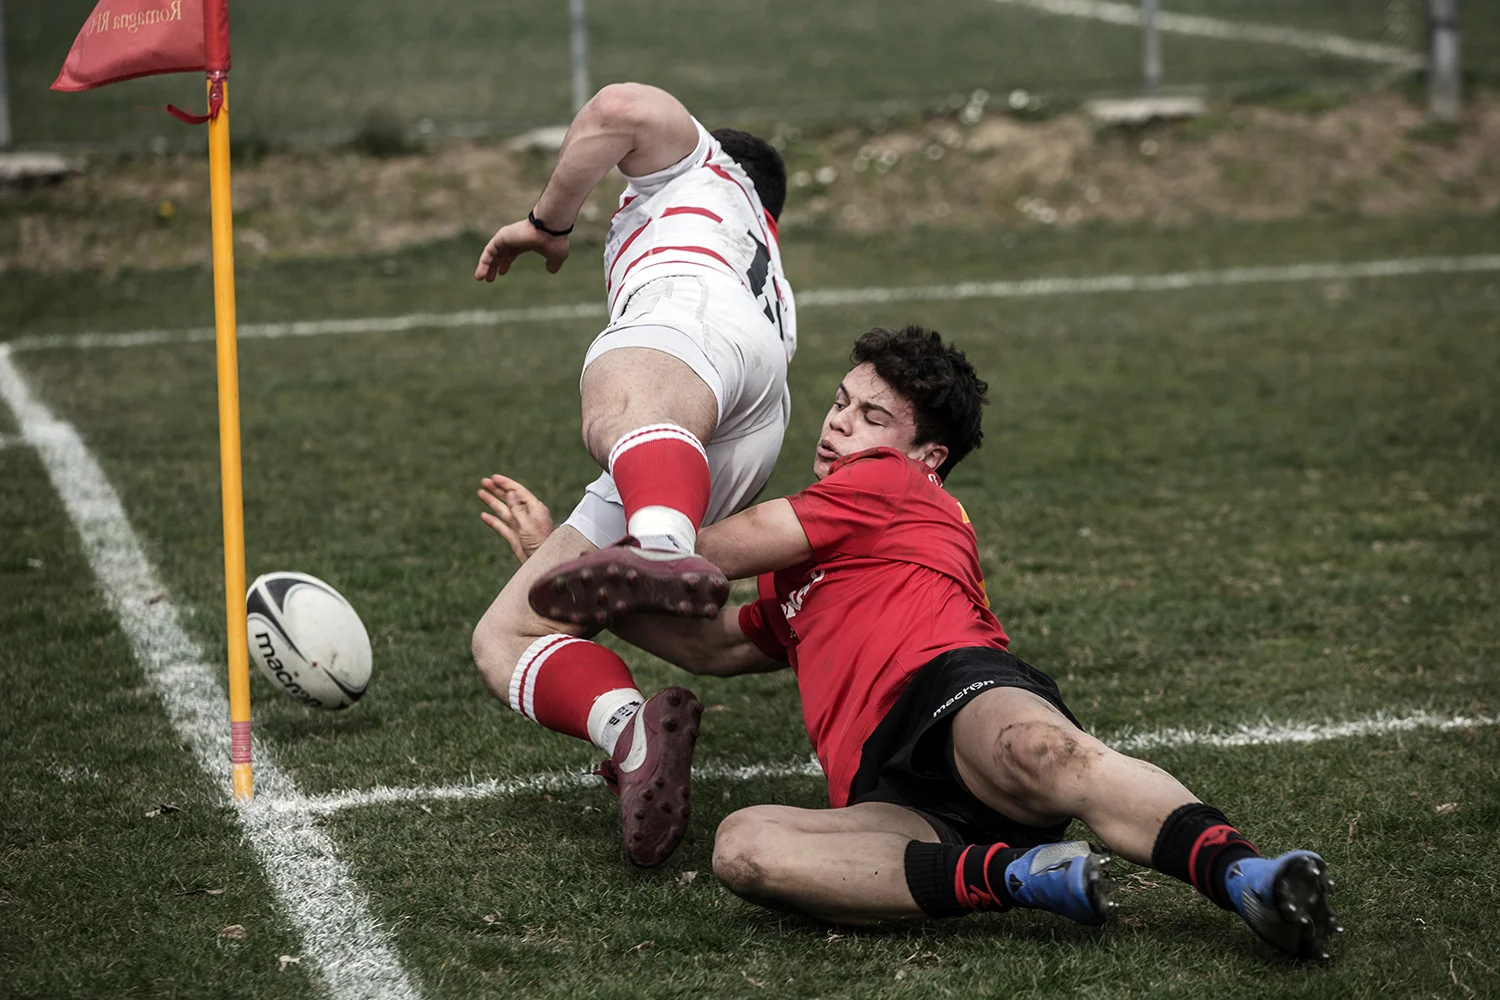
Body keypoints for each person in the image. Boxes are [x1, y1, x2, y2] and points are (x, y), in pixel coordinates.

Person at [497, 326, 1343, 959]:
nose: (838, 426)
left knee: (1043, 750)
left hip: (957, 692)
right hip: (883, 781)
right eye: (839, 402)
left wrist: (579, 562)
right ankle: (1019, 876)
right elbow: (713, 646)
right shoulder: (799, 569)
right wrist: (568, 581)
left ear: (927, 456)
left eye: (871, 416)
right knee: (744, 847)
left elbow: (712, 550)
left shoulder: (889, 484)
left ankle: (1246, 877)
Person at [470, 82, 794, 868]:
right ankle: (631, 734)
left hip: (691, 332)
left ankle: (661, 549)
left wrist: (547, 224)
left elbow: (621, 108)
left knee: (615, 408)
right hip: (745, 421)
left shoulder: (706, 173)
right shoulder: (764, 256)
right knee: (507, 636)